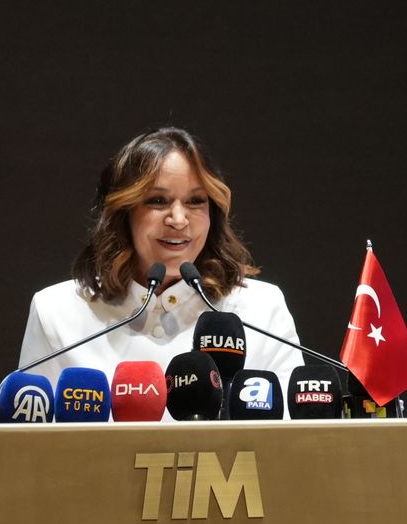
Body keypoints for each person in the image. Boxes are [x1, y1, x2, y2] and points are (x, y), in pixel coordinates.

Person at [17, 126, 305, 414]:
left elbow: (296, 435)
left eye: (195, 201)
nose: (178, 220)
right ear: (123, 212)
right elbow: (28, 437)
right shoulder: (56, 312)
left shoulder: (262, 310)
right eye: (157, 200)